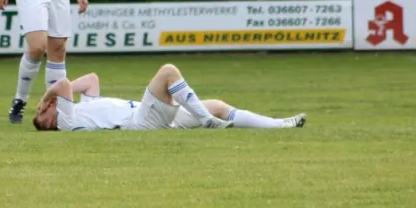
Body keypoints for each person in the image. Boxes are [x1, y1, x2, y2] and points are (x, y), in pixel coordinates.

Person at [32, 64, 306, 132]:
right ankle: (206, 121)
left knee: (218, 106)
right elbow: (64, 84)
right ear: (47, 121)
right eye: (40, 113)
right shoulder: (66, 123)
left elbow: (91, 79)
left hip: (148, 116)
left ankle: (280, 124)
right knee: (168, 72)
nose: (43, 109)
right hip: (140, 122)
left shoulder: (82, 109)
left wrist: (51, 99)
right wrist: (47, 97)